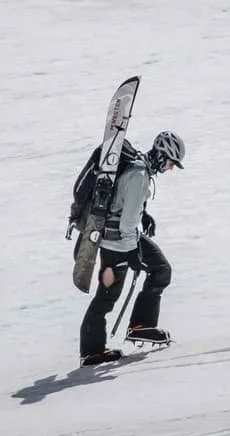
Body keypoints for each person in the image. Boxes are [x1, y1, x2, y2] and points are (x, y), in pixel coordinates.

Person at [79, 131, 185, 364]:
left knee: (160, 270)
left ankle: (141, 325)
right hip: (116, 243)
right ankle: (92, 350)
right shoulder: (139, 175)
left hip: (121, 238)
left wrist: (143, 214)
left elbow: (122, 201)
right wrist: (132, 253)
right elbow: (126, 223)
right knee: (108, 295)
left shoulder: (139, 167)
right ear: (160, 155)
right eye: (170, 162)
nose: (170, 168)